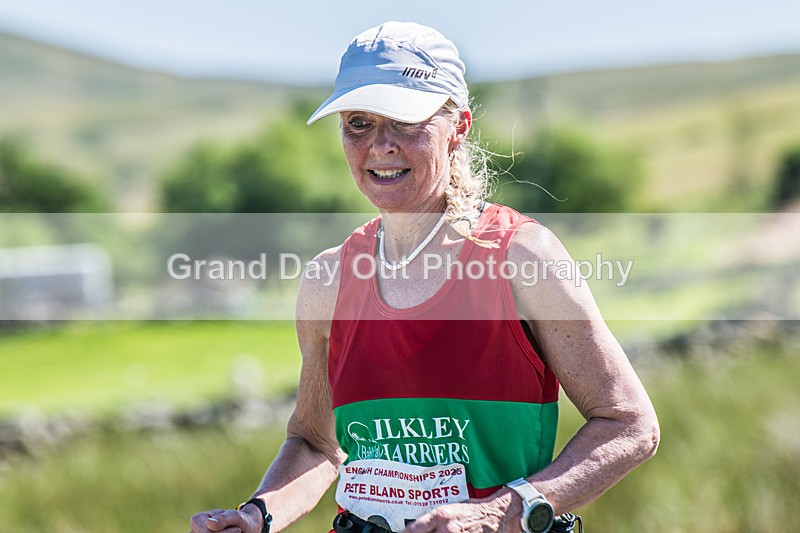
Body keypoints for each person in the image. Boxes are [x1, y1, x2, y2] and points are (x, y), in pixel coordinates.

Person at [190, 21, 659, 533]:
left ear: (459, 126)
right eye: (359, 123)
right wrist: (257, 514)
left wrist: (502, 512)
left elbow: (629, 425)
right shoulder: (328, 279)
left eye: (406, 121)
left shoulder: (522, 257)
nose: (381, 146)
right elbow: (315, 442)